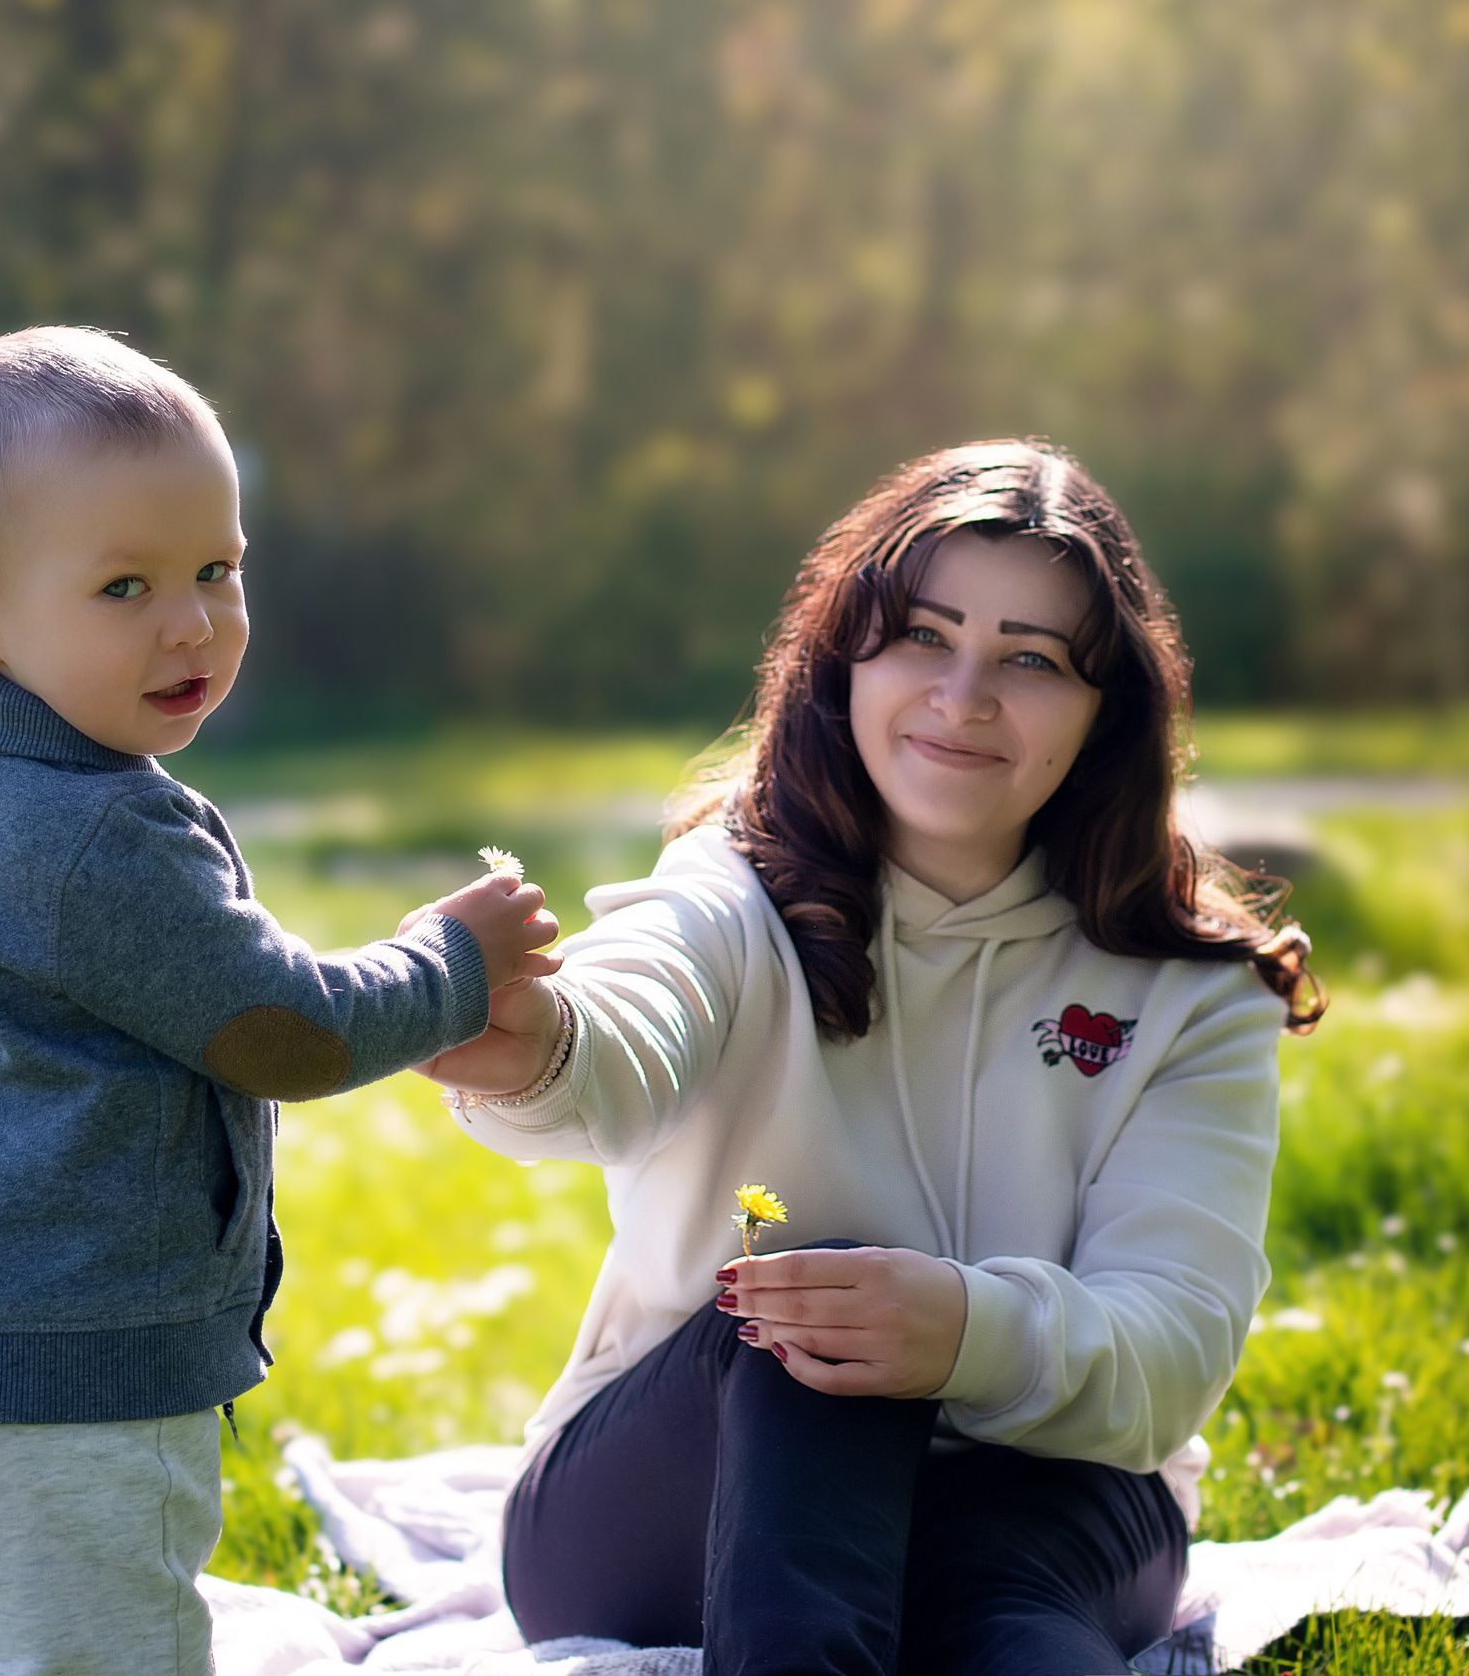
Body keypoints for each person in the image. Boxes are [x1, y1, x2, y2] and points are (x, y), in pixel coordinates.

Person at [425, 440, 1320, 1676]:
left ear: (1106, 710)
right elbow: (634, 1012)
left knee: (1009, 1633)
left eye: (1031, 659)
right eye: (921, 637)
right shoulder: (735, 894)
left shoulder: (1192, 989)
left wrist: (960, 1331)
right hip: (673, 1497)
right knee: (805, 1330)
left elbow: (1171, 1346)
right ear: (843, 655)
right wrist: (539, 1049)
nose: (964, 696)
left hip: (1044, 1496)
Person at [0, 326, 561, 1676]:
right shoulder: (100, 833)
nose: (194, 621)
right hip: (86, 1361)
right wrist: (450, 960)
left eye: (219, 569)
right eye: (125, 584)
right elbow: (283, 1027)